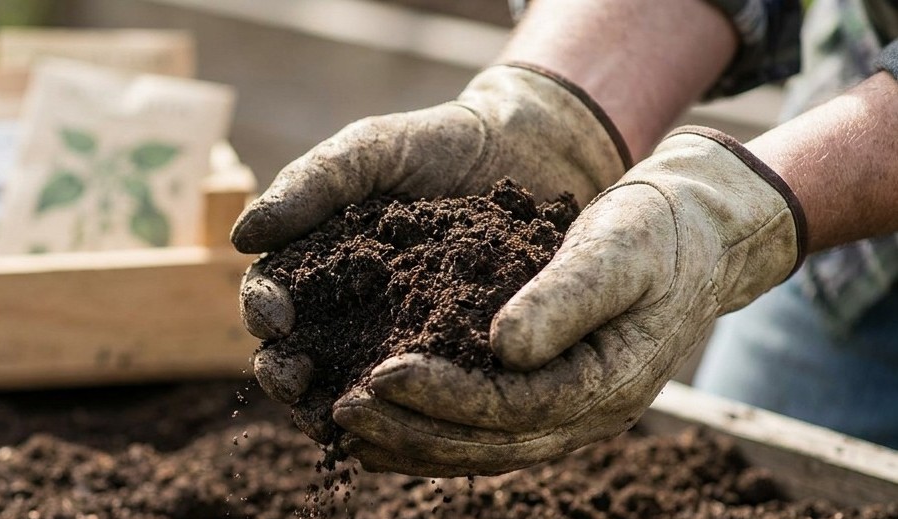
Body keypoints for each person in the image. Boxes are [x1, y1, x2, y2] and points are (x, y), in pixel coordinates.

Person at [235, 0, 898, 477]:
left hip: (841, 162)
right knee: (766, 479)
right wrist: (549, 111)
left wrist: (735, 210)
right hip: (851, 246)